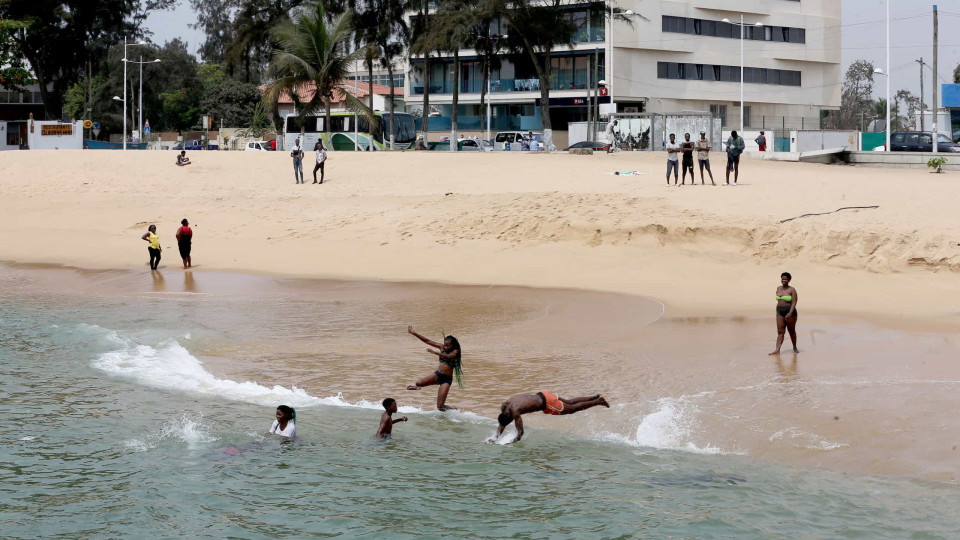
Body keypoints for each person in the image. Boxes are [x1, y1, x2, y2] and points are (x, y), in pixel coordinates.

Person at [490, 392, 610, 443]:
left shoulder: (515, 413)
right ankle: (595, 397)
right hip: (543, 394)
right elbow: (503, 423)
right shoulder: (505, 405)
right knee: (570, 401)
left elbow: (520, 433)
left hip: (548, 403)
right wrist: (495, 438)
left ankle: (598, 401)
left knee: (572, 409)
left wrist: (513, 441)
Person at [406, 325, 462, 411]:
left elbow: (449, 356)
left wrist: (435, 352)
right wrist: (414, 333)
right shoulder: (441, 347)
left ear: (453, 345)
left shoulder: (456, 351)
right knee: (418, 383)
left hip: (446, 380)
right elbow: (427, 341)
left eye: (448, 345)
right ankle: (418, 388)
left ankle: (454, 410)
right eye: (445, 345)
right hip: (437, 375)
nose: (445, 347)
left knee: (440, 407)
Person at [770, 272, 799, 355]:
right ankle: (777, 350)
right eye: (782, 279)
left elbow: (794, 302)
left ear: (789, 280)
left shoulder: (792, 289)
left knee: (791, 331)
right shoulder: (778, 288)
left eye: (785, 279)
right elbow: (779, 300)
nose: (784, 280)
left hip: (791, 312)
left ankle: (794, 347)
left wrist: (790, 313)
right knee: (780, 332)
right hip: (779, 312)